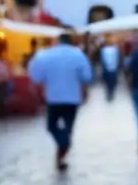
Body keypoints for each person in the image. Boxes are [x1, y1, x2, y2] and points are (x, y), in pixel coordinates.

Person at [28, 33, 93, 171]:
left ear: (57, 41)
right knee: (68, 129)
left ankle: (60, 155)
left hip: (53, 98)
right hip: (72, 98)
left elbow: (35, 74)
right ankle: (63, 151)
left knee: (51, 126)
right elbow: (86, 76)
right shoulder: (78, 55)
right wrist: (85, 92)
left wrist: (45, 81)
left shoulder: (46, 55)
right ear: (71, 42)